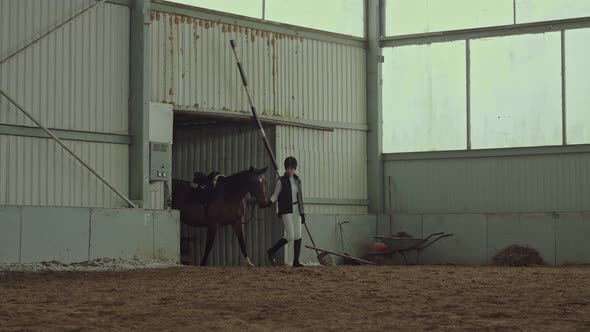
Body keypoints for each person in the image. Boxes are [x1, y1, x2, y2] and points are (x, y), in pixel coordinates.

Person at [266, 156, 306, 267]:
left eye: (292, 168)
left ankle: (296, 261)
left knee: (298, 235)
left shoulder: (298, 180)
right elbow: (275, 195)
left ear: (295, 169)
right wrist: (270, 202)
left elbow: (300, 197)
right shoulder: (281, 181)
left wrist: (302, 213)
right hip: (286, 210)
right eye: (288, 168)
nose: (290, 170)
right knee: (291, 235)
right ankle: (272, 251)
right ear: (285, 168)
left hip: (297, 209)